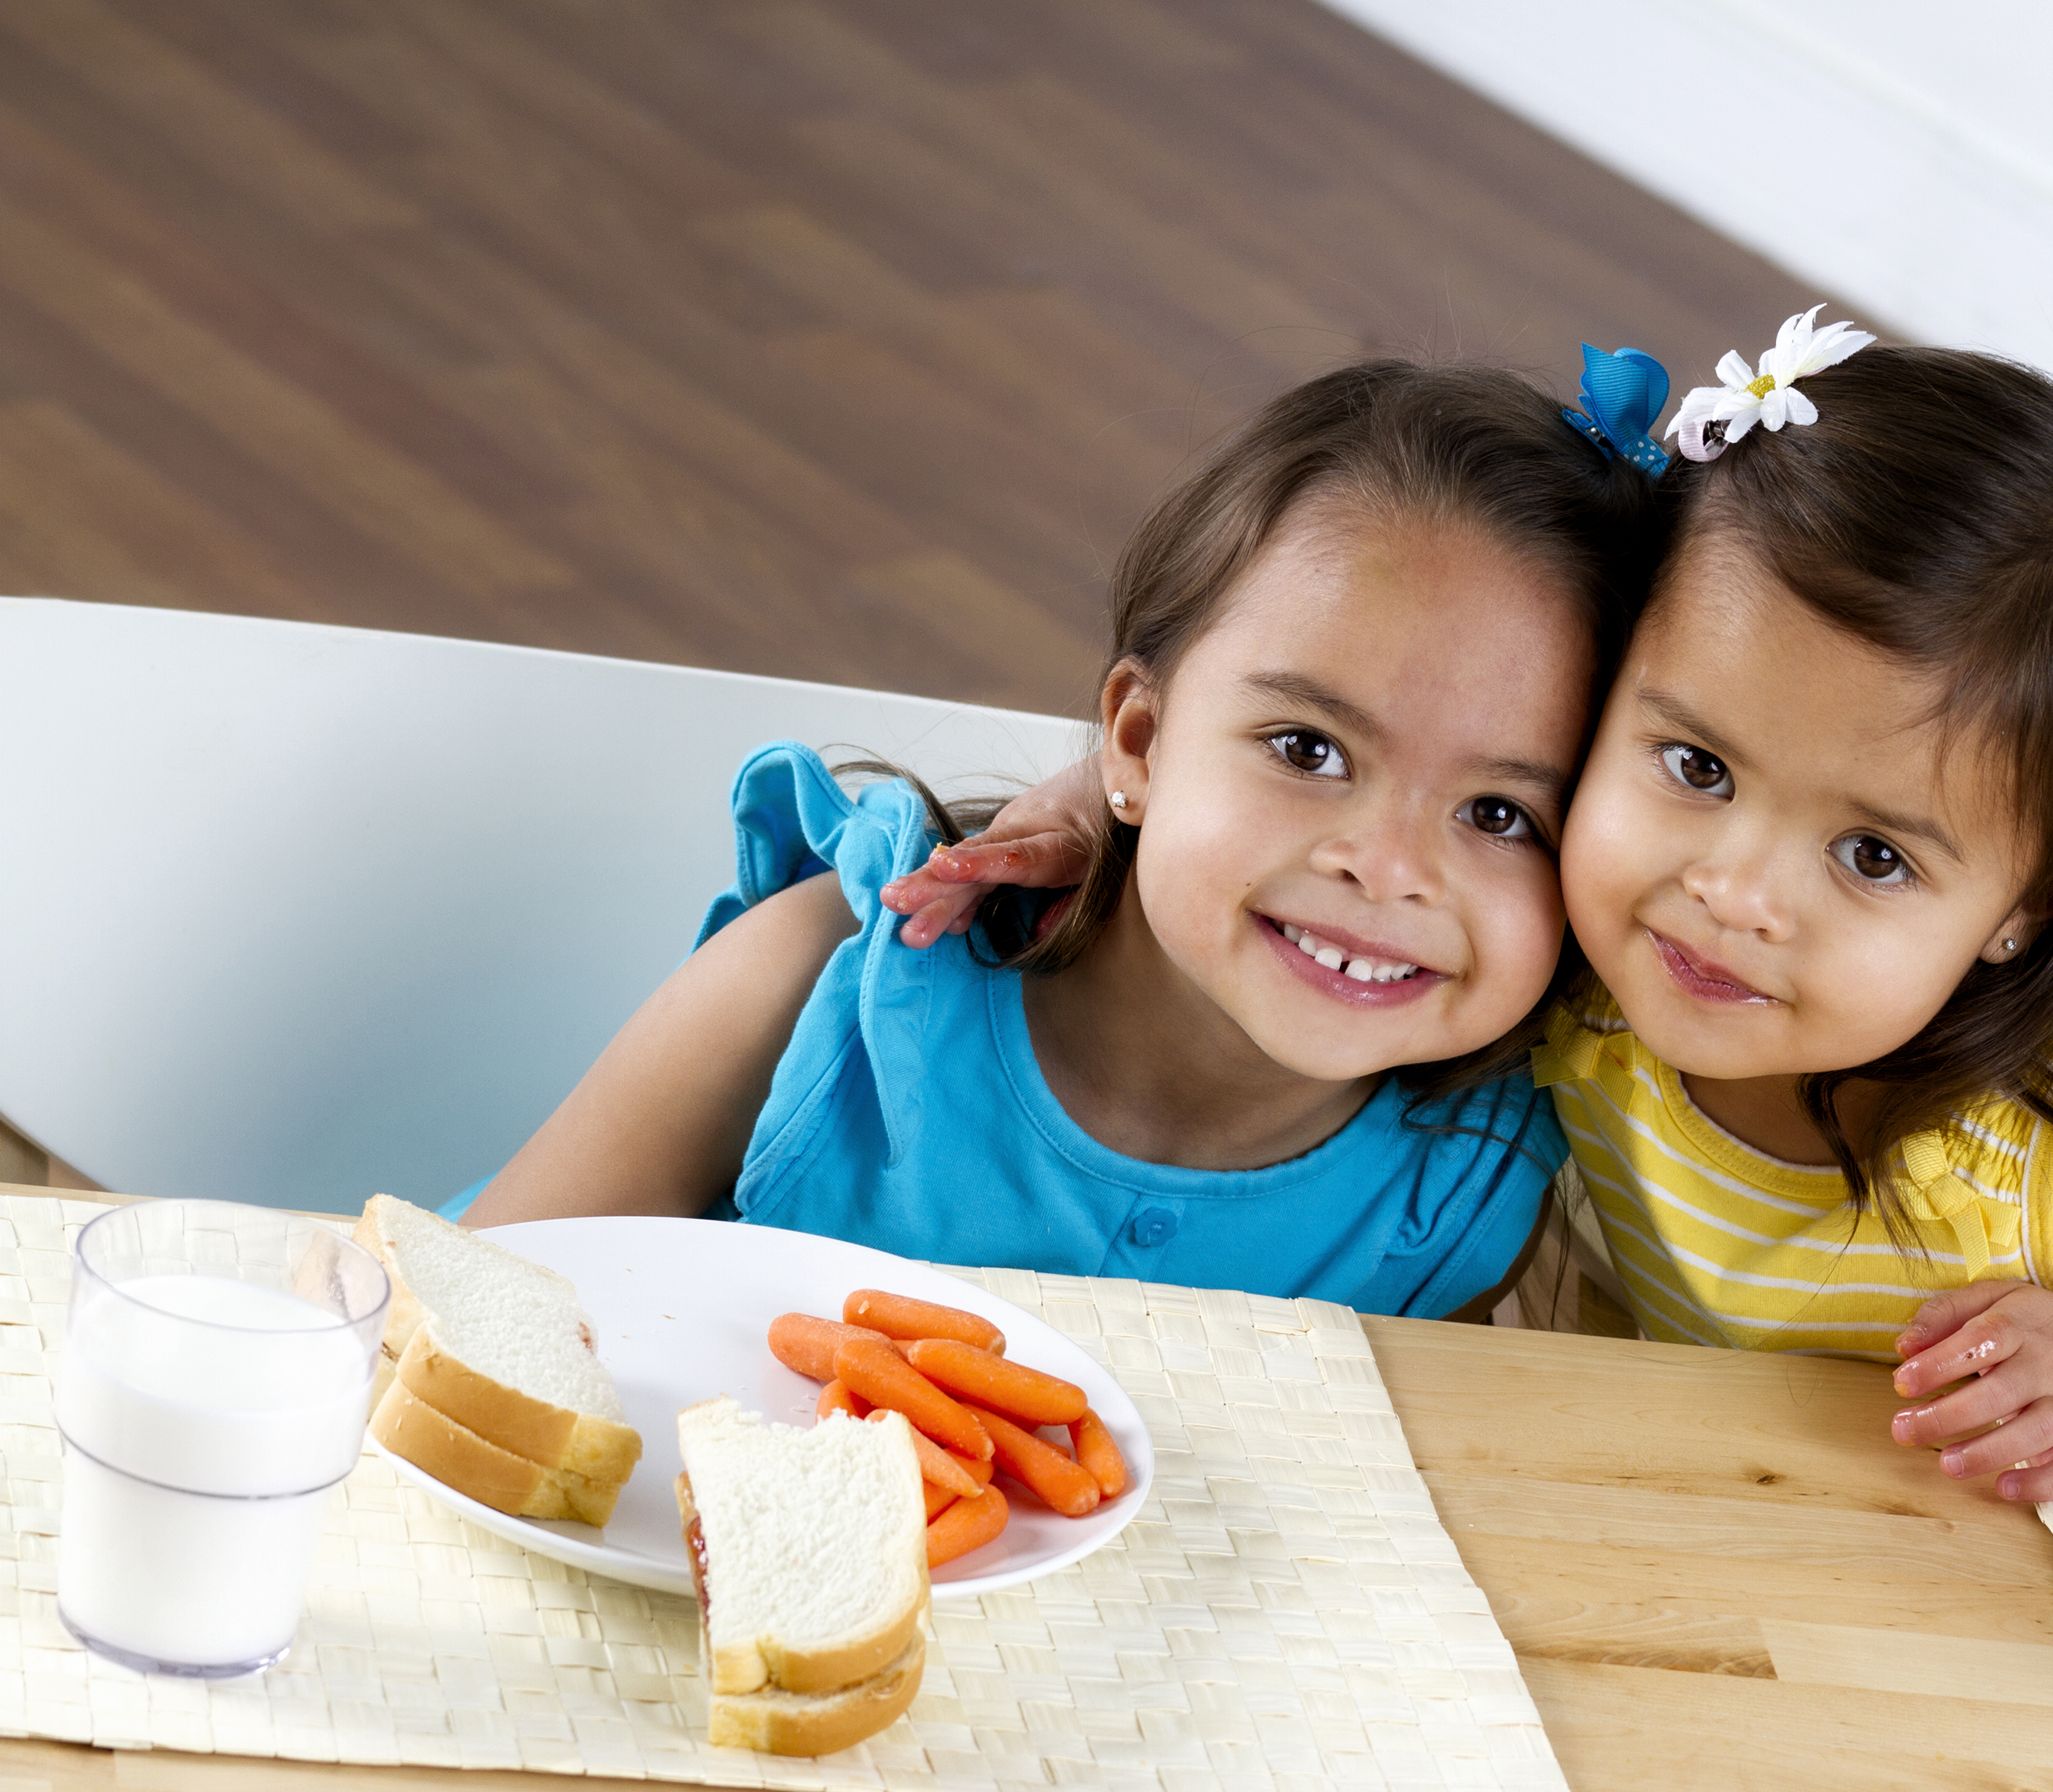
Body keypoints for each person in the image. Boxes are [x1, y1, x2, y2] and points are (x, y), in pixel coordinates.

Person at [889, 314, 2053, 1494]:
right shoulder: (1579, 939)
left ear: (2032, 909)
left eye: (1875, 855)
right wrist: (1082, 813)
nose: (1731, 891)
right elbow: (1356, 710)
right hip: (1819, 1533)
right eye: (1693, 764)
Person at [462, 359, 1663, 1322]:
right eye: (1308, 751)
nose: (1387, 867)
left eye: (1500, 814)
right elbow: (456, 1329)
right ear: (1135, 744)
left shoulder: (1473, 1174)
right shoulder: (833, 976)